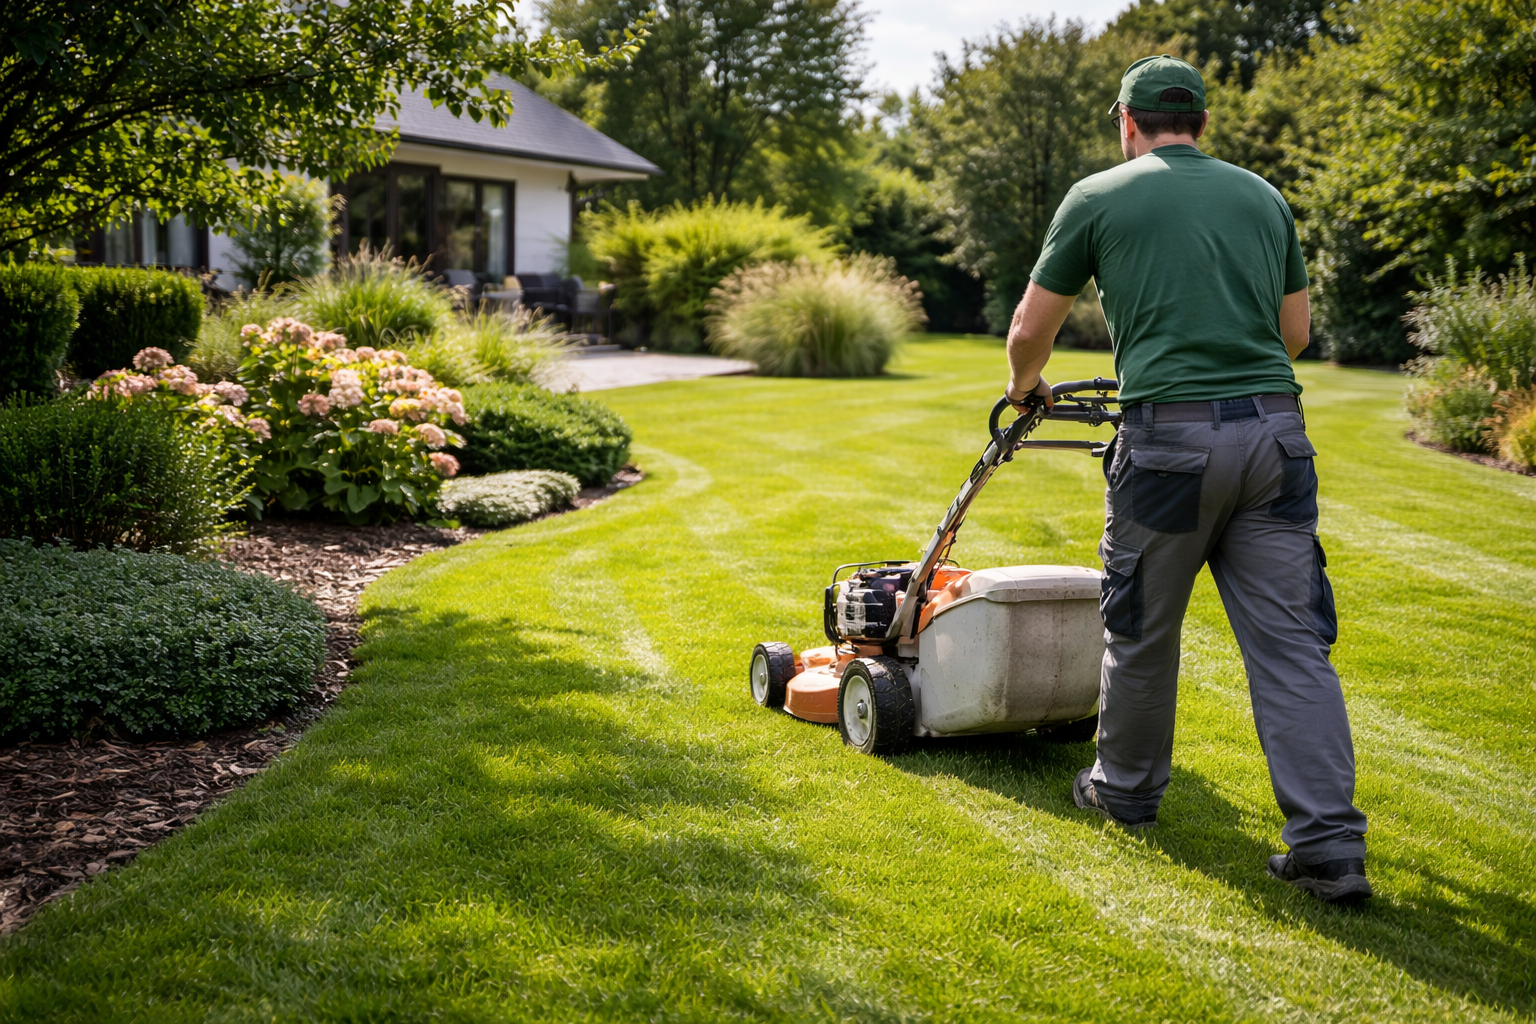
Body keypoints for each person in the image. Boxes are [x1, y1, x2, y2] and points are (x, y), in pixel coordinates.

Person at [1003, 55, 1371, 904]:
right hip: (1276, 441)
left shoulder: (1098, 196)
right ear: (1202, 122)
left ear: (1128, 122)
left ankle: (1125, 793)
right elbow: (1295, 334)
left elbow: (1029, 330)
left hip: (1168, 447)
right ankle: (1330, 848)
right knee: (1293, 647)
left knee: (1140, 628)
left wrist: (1026, 388)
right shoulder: (1264, 198)